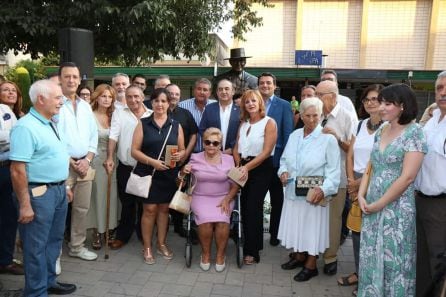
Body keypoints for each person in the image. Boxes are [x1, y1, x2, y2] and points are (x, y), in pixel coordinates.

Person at [357, 83, 427, 296]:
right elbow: (371, 166)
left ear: (403, 106)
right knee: (371, 256)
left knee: (394, 260)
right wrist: (361, 194)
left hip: (396, 210)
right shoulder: (382, 129)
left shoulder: (415, 133)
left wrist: (380, 203)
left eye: (388, 103)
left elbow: (407, 177)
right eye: (381, 103)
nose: (381, 108)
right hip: (371, 206)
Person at [9, 79, 77, 296]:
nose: (62, 101)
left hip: (56, 192)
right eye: (57, 97)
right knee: (35, 248)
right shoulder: (25, 127)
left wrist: (64, 185)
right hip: (37, 195)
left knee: (54, 241)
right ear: (41, 99)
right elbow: (17, 171)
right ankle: (36, 292)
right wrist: (25, 205)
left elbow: (55, 156)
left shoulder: (51, 122)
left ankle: (48, 282)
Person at [278, 97, 341, 282]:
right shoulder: (294, 135)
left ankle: (311, 264)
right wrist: (283, 173)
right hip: (292, 190)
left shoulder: (328, 139)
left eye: (316, 115)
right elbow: (283, 161)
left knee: (312, 229)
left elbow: (334, 172)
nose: (312, 119)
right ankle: (299, 256)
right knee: (297, 226)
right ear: (301, 116)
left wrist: (323, 189)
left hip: (314, 194)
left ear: (322, 116)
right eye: (308, 115)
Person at [338, 84, 384, 295]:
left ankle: (370, 279)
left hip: (375, 182)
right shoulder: (360, 124)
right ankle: (359, 271)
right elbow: (350, 154)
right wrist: (350, 180)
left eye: (375, 99)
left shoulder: (388, 127)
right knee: (356, 231)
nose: (370, 103)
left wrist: (359, 184)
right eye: (366, 99)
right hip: (355, 179)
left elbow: (379, 160)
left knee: (372, 233)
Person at [131, 88, 185, 264]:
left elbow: (182, 150)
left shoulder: (176, 126)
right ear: (151, 103)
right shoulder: (143, 123)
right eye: (156, 101)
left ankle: (161, 243)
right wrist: (152, 162)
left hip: (168, 175)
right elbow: (134, 151)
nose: (160, 104)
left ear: (169, 103)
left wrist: (180, 155)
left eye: (163, 101)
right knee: (149, 210)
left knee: (163, 210)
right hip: (149, 172)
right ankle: (147, 246)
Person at [179, 127, 239, 272]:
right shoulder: (194, 157)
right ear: (203, 143)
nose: (211, 146)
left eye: (215, 143)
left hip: (224, 196)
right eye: (208, 142)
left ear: (220, 145)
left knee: (222, 220)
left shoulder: (230, 159)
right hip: (200, 196)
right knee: (205, 220)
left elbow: (236, 184)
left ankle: (220, 255)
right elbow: (180, 182)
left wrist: (228, 199)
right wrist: (182, 172)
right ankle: (205, 254)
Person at [57, 62, 99, 261]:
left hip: (84, 165)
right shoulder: (54, 104)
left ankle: (77, 246)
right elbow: (51, 136)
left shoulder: (85, 106)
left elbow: (93, 135)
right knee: (58, 210)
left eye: (75, 76)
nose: (72, 80)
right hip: (61, 166)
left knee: (82, 208)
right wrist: (69, 160)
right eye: (67, 76)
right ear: (60, 79)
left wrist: (88, 159)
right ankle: (54, 254)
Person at [316, 79, 357, 276]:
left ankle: (331, 257)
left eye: (319, 95)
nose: (315, 99)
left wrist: (337, 138)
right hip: (315, 177)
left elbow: (353, 150)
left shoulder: (347, 118)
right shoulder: (315, 115)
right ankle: (312, 253)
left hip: (338, 177)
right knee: (315, 218)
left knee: (333, 220)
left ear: (332, 96)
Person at [232, 89, 277, 264]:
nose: (250, 104)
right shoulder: (243, 124)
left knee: (253, 207)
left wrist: (246, 168)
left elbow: (266, 152)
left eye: (253, 101)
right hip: (243, 166)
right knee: (244, 207)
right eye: (247, 101)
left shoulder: (269, 122)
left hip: (260, 168)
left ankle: (253, 251)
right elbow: (236, 147)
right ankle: (248, 242)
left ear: (260, 103)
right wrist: (238, 165)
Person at [105, 86, 153, 250]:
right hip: (126, 166)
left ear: (142, 96)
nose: (133, 100)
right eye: (130, 97)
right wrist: (110, 156)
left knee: (144, 204)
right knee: (127, 203)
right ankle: (123, 236)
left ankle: (142, 234)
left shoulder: (151, 114)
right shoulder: (119, 113)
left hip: (146, 167)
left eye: (136, 97)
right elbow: (113, 136)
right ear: (126, 97)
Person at [415, 71, 446, 297]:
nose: (443, 93)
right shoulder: (432, 120)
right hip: (420, 200)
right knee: (421, 259)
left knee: (439, 261)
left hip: (441, 206)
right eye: (439, 88)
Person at [257, 72, 293, 246]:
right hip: (256, 160)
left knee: (277, 200)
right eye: (262, 83)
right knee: (256, 199)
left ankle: (274, 234)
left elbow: (287, 135)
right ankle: (256, 235)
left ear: (274, 86)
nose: (265, 85)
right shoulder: (252, 103)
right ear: (258, 85)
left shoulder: (284, 105)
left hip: (277, 161)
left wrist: (285, 163)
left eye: (268, 83)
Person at [86, 84, 119, 250]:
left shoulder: (116, 116)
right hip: (97, 161)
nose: (107, 99)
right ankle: (97, 231)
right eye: (103, 96)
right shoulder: (89, 116)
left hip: (114, 160)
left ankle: (110, 228)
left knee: (113, 196)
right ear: (97, 97)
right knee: (97, 196)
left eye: (110, 97)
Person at [165, 83, 198, 237]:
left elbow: (194, 134)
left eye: (176, 94)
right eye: (170, 93)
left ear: (180, 97)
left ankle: (178, 225)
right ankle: (162, 225)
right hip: (162, 161)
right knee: (163, 193)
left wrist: (186, 152)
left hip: (181, 161)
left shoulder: (185, 114)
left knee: (180, 191)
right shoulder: (158, 111)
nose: (173, 96)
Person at [0, 103, 23, 277]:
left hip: (7, 168)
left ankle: (6, 261)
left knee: (9, 217)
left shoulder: (6, 111)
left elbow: (17, 135)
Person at [199, 79, 241, 155]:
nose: (223, 92)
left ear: (233, 92)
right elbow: (202, 130)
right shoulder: (209, 109)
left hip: (235, 154)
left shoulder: (240, 110)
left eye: (227, 89)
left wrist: (233, 148)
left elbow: (243, 132)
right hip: (212, 154)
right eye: (220, 89)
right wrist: (212, 146)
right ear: (217, 93)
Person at [179, 78, 216, 152]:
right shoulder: (182, 106)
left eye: (205, 90)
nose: (201, 92)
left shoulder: (216, 106)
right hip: (187, 153)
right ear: (194, 90)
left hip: (211, 153)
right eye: (199, 89)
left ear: (210, 92)